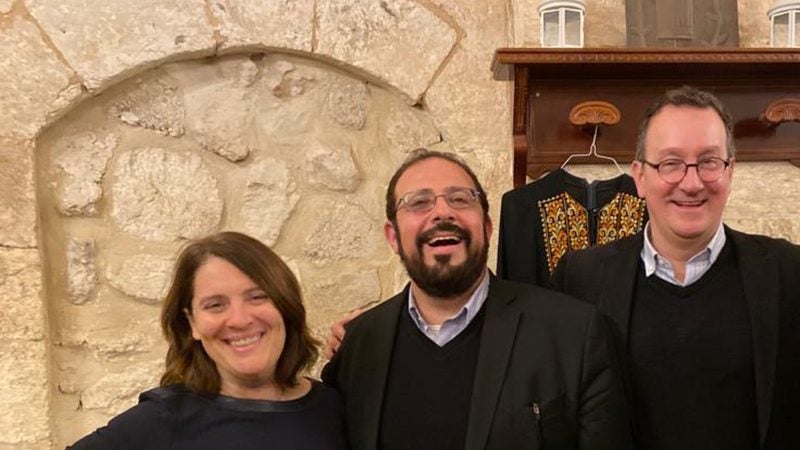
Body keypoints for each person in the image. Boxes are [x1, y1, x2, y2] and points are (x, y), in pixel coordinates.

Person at [322, 149, 632, 450]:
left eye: (460, 199)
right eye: (419, 202)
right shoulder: (359, 345)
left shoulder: (573, 333)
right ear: (393, 237)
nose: (442, 212)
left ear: (486, 227)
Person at [551, 86, 800, 450]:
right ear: (639, 176)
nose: (692, 182)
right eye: (670, 163)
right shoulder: (581, 278)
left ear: (730, 172)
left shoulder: (789, 274)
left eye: (709, 161)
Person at [68, 232, 348, 450]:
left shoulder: (336, 408)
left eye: (257, 297)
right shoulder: (161, 420)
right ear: (192, 323)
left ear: (285, 307)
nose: (239, 319)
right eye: (215, 305)